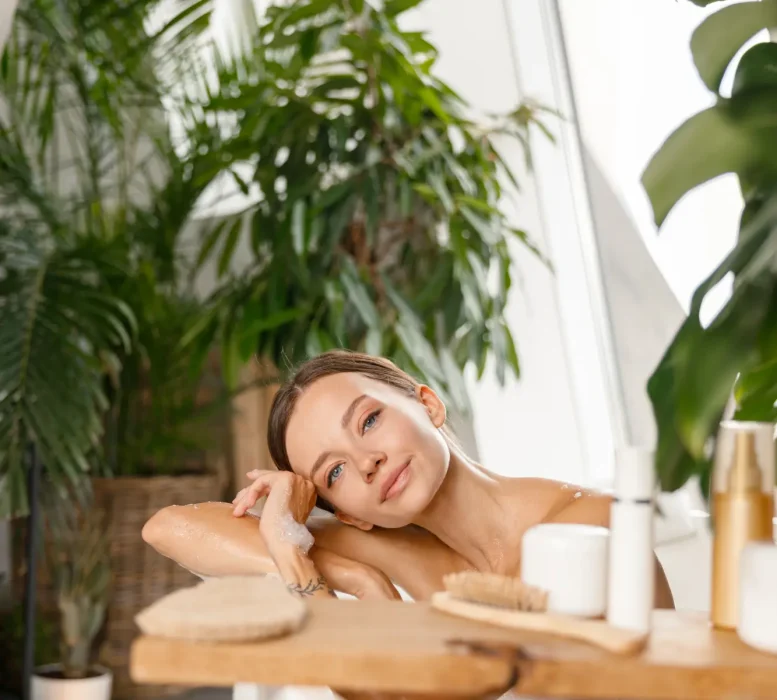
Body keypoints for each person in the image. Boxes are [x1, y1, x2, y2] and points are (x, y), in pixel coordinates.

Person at [143, 350, 674, 609]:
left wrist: (319, 569)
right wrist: (298, 548)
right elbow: (167, 528)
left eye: (369, 420)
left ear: (429, 404)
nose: (367, 461)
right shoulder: (402, 555)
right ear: (348, 512)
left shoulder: (591, 526)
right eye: (335, 470)